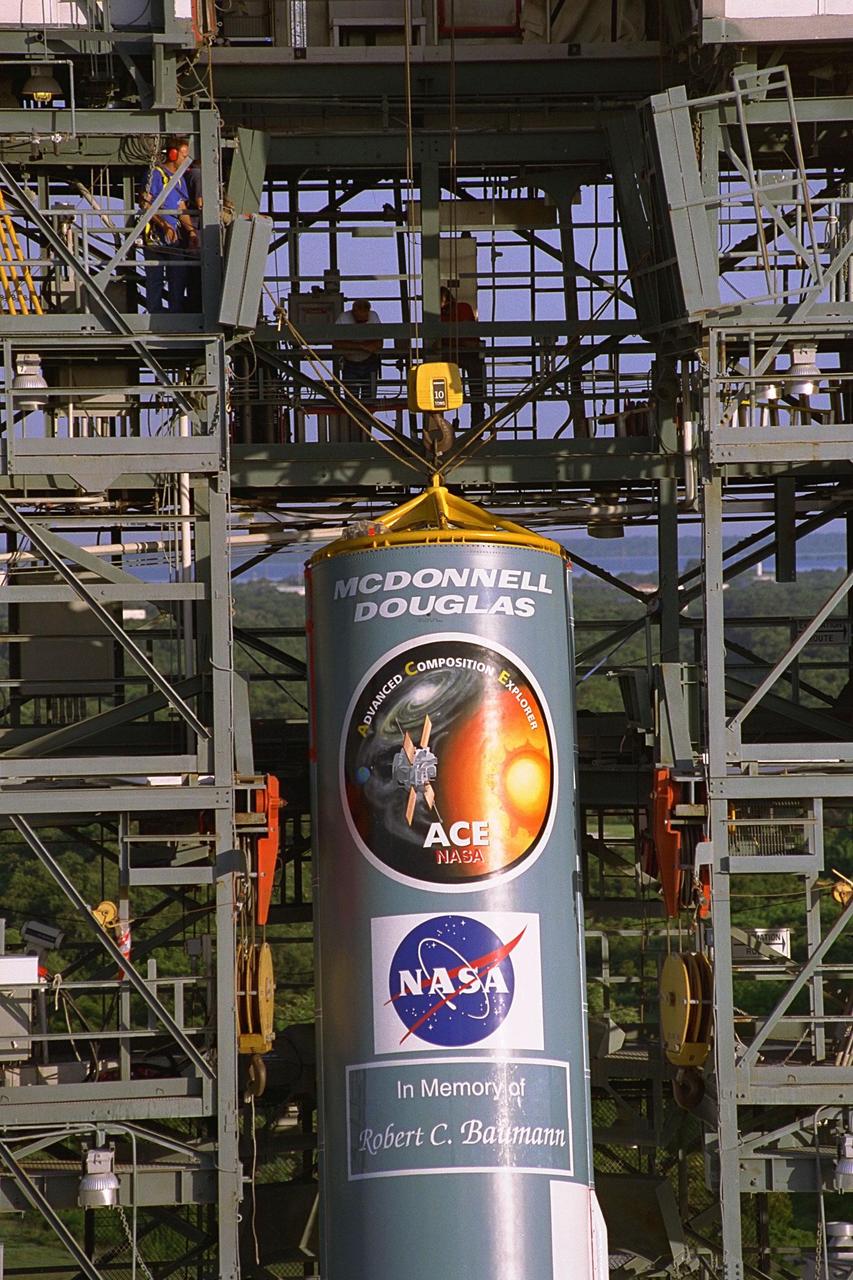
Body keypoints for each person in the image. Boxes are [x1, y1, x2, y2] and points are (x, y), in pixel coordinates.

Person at [141, 138, 198, 313]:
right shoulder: (157, 174)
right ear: (173, 155)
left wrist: (191, 232)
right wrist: (164, 225)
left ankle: (176, 313)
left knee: (178, 277)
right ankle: (155, 315)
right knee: (155, 278)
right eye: (183, 155)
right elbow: (145, 204)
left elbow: (181, 207)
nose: (185, 159)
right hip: (156, 237)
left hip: (174, 240)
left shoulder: (179, 180)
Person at [438, 285, 486, 425]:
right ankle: (437, 421)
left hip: (465, 352)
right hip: (454, 352)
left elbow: (465, 331)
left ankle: (477, 426)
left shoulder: (462, 308)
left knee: (477, 391)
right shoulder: (438, 316)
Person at [334, 299, 383, 401]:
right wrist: (362, 347)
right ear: (353, 313)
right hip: (350, 364)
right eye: (359, 321)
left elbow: (379, 343)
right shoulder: (344, 318)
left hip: (370, 362)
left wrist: (366, 346)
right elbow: (336, 343)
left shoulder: (373, 317)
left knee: (369, 400)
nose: (362, 323)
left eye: (365, 320)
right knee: (351, 401)